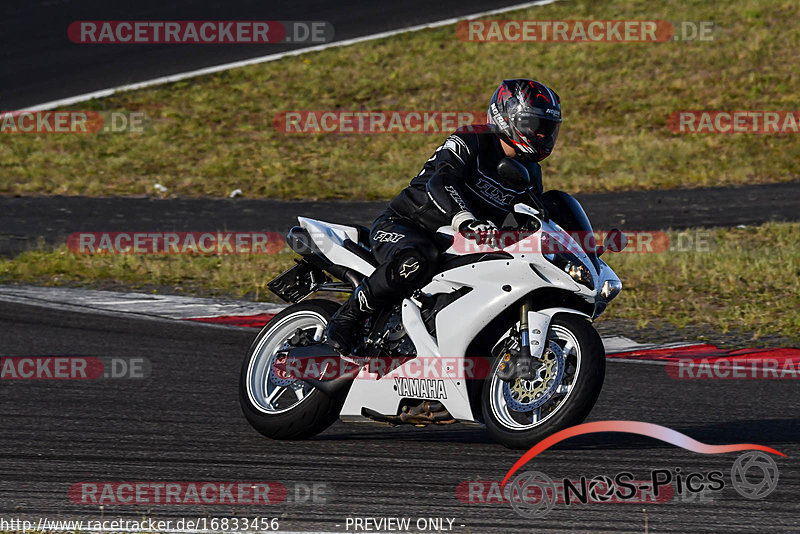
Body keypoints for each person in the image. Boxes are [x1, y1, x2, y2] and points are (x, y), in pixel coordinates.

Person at [325, 79, 562, 355]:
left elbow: (533, 218)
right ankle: (348, 316)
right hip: (406, 225)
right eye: (534, 125)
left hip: (462, 242)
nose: (543, 135)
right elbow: (441, 180)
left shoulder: (531, 174)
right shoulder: (471, 139)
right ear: (507, 116)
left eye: (548, 129)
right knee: (419, 258)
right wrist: (464, 219)